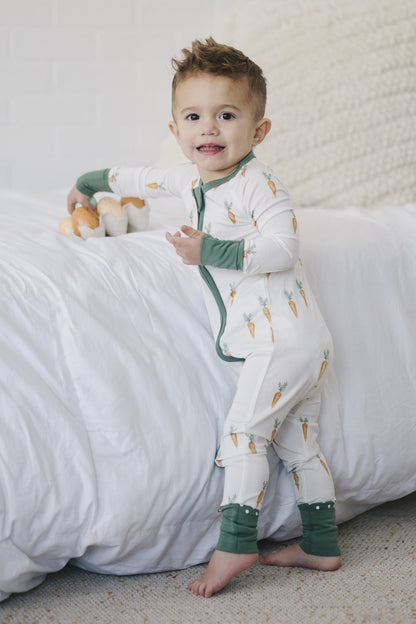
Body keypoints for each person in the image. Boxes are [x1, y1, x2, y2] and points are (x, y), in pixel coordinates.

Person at [67, 37, 341, 598]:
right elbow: (141, 179)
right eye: (193, 117)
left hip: (284, 340)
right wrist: (88, 183)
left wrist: (209, 250)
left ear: (259, 131)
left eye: (227, 115)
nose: (208, 128)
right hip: (300, 341)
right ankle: (321, 543)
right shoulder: (191, 178)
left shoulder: (259, 183)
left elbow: (283, 247)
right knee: (298, 445)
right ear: (176, 131)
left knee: (243, 435)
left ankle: (235, 543)